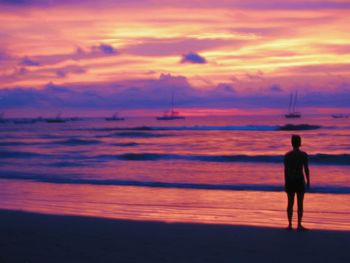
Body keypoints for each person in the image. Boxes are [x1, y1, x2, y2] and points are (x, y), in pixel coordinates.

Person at [284, 135, 310, 230]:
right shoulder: (303, 155)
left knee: (290, 203)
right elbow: (306, 169)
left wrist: (286, 181)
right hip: (299, 180)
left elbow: (286, 170)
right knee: (300, 203)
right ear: (300, 143)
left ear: (292, 143)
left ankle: (290, 224)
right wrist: (308, 181)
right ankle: (299, 224)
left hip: (290, 181)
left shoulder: (287, 155)